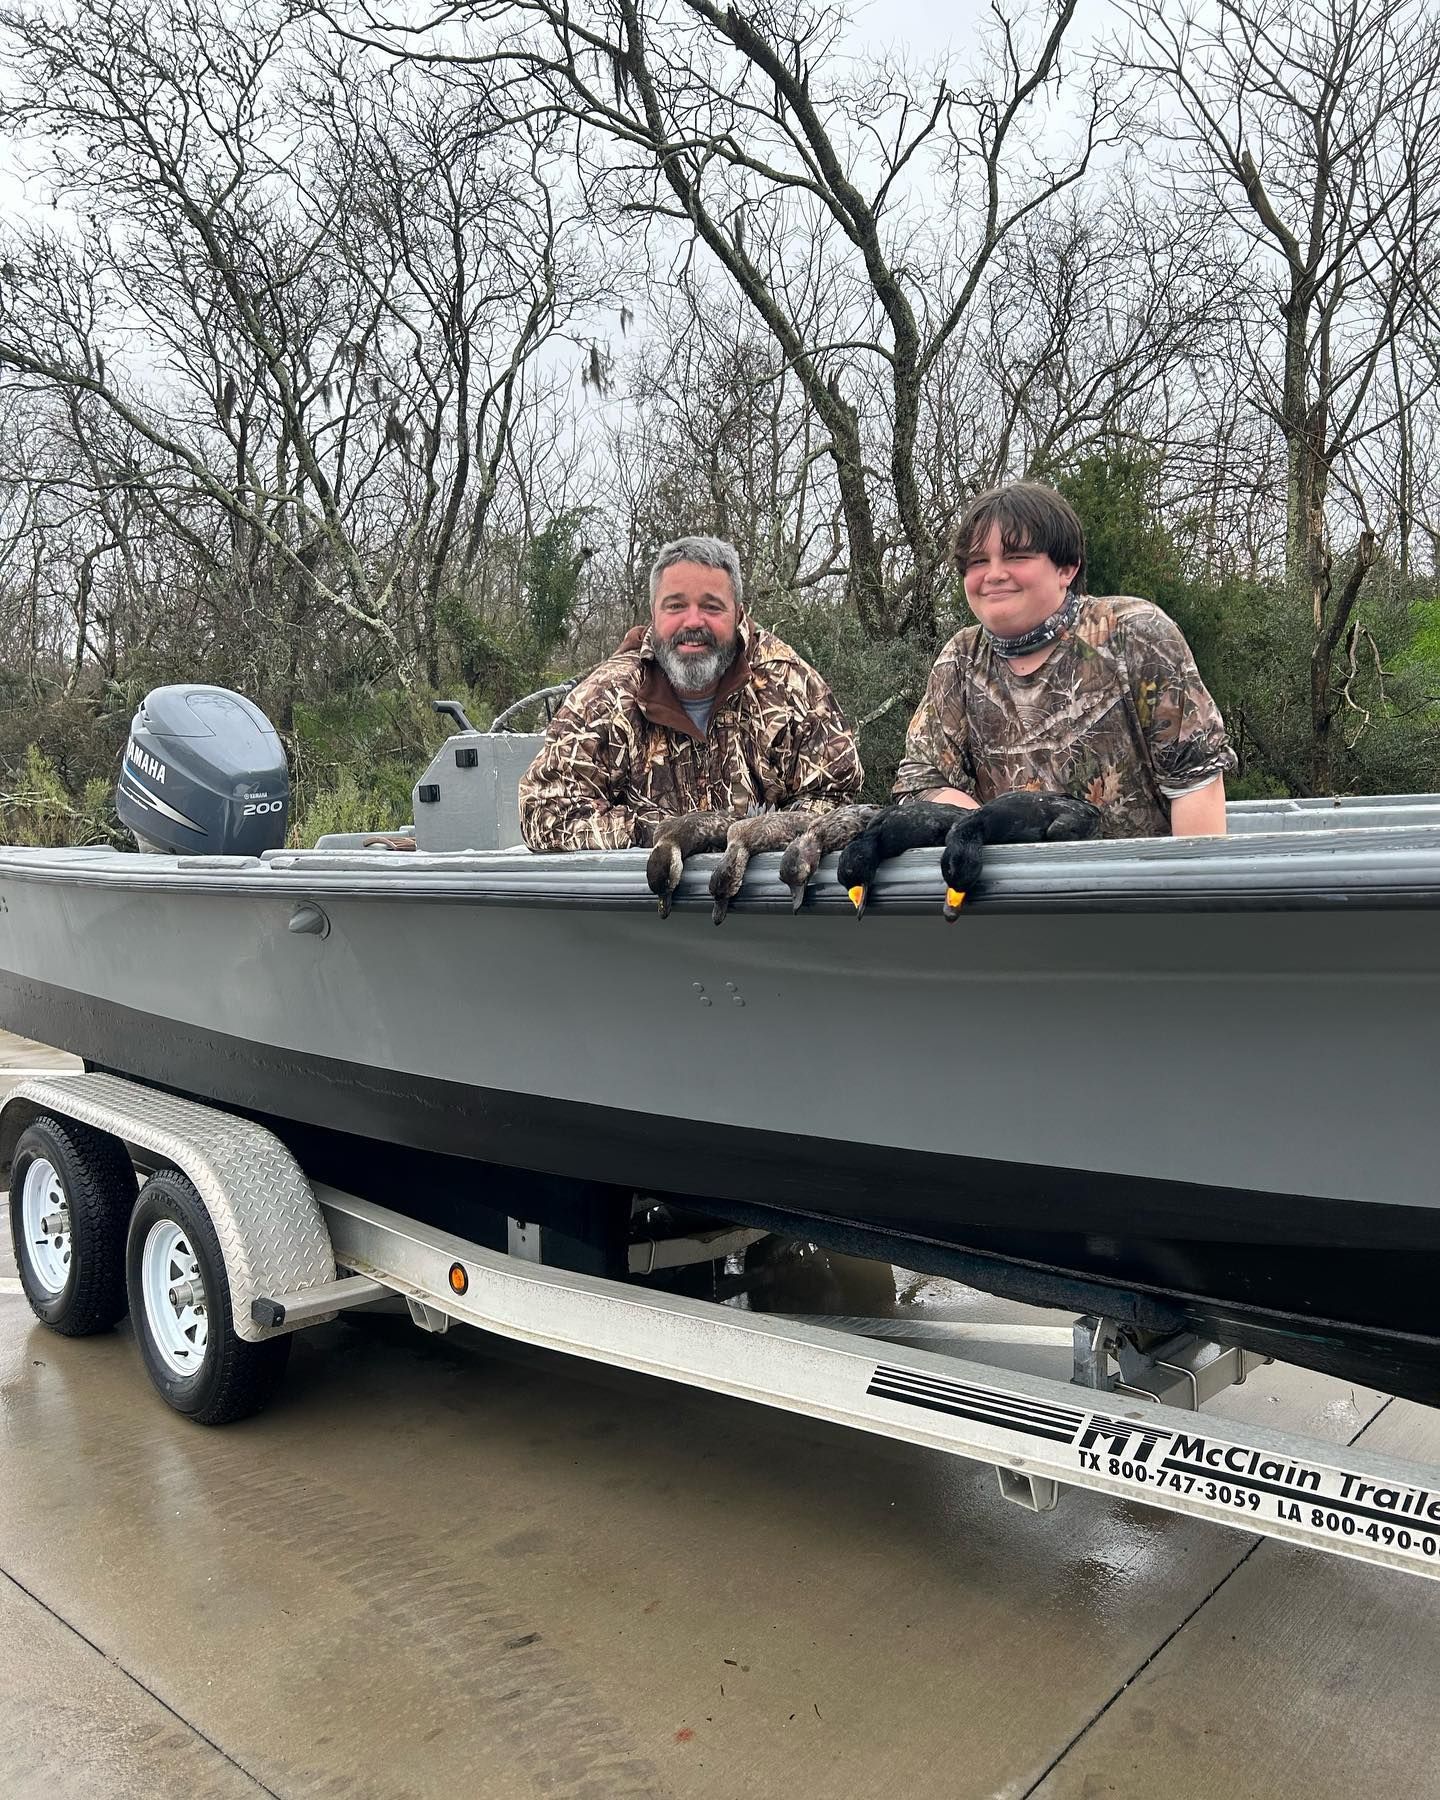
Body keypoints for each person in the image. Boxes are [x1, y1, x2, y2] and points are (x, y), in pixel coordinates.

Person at [894, 482, 1235, 836]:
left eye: (1016, 557)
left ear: (1067, 568)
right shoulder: (960, 660)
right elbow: (921, 781)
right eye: (978, 561)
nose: (994, 574)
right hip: (1005, 872)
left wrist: (1193, 874)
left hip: (1141, 871)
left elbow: (1196, 779)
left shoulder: (1135, 634)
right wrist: (992, 828)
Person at [520, 535, 863, 851]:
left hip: (765, 891)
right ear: (653, 614)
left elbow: (837, 797)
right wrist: (666, 835)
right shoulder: (604, 698)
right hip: (644, 893)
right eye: (675, 606)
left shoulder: (790, 685)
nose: (693, 622)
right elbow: (545, 813)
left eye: (712, 607)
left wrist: (756, 837)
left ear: (738, 613)